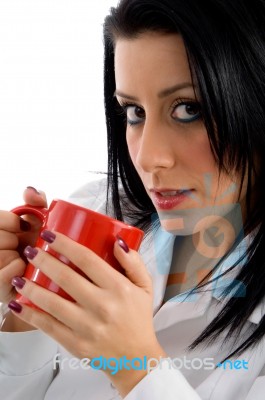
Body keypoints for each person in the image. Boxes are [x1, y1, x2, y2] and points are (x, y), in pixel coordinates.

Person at [0, 0, 265, 398]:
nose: (147, 157)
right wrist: (31, 312)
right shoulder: (99, 210)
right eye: (134, 111)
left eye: (189, 108)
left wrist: (135, 366)